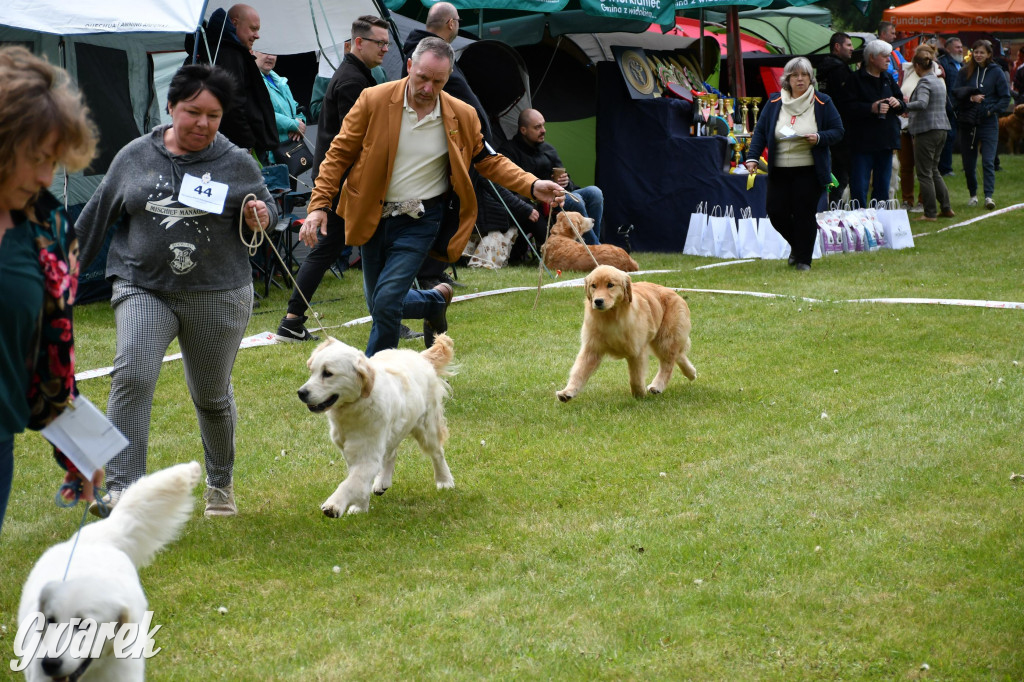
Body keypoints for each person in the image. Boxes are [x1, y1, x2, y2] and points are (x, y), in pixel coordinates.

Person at [76, 64, 278, 519]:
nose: (203, 124)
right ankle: (125, 492)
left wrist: (261, 218)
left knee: (210, 396)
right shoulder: (134, 156)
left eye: (213, 115)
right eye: (192, 112)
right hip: (143, 286)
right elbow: (94, 219)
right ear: (170, 108)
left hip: (218, 293)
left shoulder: (237, 162)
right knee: (132, 376)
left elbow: (268, 216)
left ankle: (220, 484)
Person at [302, 37, 565, 355]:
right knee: (379, 304)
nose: (428, 88)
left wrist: (532, 185)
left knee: (386, 303)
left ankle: (376, 382)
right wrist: (319, 205)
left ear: (448, 78)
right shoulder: (373, 100)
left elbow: (488, 160)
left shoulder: (462, 115)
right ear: (409, 66)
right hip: (370, 215)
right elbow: (338, 154)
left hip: (421, 219)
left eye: (438, 81)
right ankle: (434, 302)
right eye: (422, 77)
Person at [0, 46, 101, 532]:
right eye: (36, 158)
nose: (46, 177)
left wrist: (82, 449)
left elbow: (53, 352)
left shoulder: (50, 231)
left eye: (54, 161)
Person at [276, 15, 390, 343]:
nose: (385, 48)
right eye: (379, 43)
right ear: (358, 43)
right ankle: (293, 320)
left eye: (386, 42)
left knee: (341, 248)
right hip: (344, 181)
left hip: (343, 180)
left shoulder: (357, 75)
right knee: (338, 248)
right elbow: (360, 139)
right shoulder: (353, 81)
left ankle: (293, 320)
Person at [745, 57, 843, 271]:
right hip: (779, 169)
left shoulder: (823, 102)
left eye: (804, 75)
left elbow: (838, 132)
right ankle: (798, 247)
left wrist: (818, 137)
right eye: (795, 75)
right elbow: (760, 132)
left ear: (811, 78)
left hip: (810, 170)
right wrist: (752, 157)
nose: (800, 79)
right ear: (787, 79)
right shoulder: (773, 102)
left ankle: (803, 261)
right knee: (776, 212)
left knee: (804, 213)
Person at [184, 4, 277, 157]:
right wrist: (246, 143)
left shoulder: (214, 50)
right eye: (253, 29)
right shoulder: (229, 54)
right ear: (234, 23)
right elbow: (232, 104)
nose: (257, 35)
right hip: (233, 148)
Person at [502, 108, 605, 246]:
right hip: (535, 203)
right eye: (537, 127)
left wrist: (566, 181)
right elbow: (506, 189)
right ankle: (594, 249)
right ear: (523, 130)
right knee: (577, 200)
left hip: (559, 197)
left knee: (595, 192)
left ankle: (593, 244)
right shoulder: (508, 151)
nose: (543, 130)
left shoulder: (548, 149)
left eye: (543, 125)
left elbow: (569, 186)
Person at [837, 40, 905, 208]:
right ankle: (858, 222)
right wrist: (871, 108)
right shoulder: (855, 79)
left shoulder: (888, 78)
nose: (889, 60)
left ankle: (879, 222)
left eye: (889, 56)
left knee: (882, 186)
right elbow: (846, 108)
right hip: (862, 142)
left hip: (886, 141)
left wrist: (898, 103)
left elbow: (902, 102)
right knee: (859, 186)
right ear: (872, 58)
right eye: (885, 56)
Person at [953, 39, 1011, 210]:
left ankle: (988, 196)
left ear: (988, 54)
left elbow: (1005, 97)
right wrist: (970, 98)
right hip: (968, 122)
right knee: (968, 163)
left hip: (988, 123)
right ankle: (973, 194)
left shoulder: (996, 72)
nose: (978, 55)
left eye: (981, 52)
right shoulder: (964, 72)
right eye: (975, 52)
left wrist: (990, 110)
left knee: (988, 160)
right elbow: (955, 94)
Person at [903, 45, 954, 221]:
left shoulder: (924, 82)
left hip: (927, 131)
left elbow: (922, 103)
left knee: (924, 173)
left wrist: (904, 106)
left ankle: (930, 213)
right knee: (933, 170)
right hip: (942, 129)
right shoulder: (937, 81)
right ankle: (946, 208)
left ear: (917, 66)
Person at [898, 44, 943, 212]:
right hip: (905, 125)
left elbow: (933, 102)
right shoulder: (907, 71)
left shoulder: (936, 74)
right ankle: (907, 200)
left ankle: (924, 202)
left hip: (925, 126)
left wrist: (907, 106)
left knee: (925, 169)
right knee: (906, 165)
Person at [816, 32, 854, 206]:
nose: (852, 49)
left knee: (830, 168)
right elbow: (846, 100)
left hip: (825, 125)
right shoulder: (840, 70)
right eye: (848, 45)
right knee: (843, 170)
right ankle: (835, 204)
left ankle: (828, 201)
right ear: (837, 47)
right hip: (842, 126)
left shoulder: (822, 69)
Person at [254, 51, 306, 146]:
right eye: (265, 52)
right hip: (270, 150)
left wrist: (301, 122)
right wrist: (293, 125)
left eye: (273, 53)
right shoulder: (251, 80)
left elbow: (296, 108)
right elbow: (259, 112)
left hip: (290, 147)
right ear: (252, 52)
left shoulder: (281, 81)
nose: (270, 57)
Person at [937, 36, 964, 176]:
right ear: (948, 49)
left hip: (961, 107)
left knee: (954, 138)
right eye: (957, 47)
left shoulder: (961, 63)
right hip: (948, 108)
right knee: (948, 137)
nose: (960, 50)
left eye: (961, 47)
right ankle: (945, 168)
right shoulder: (943, 64)